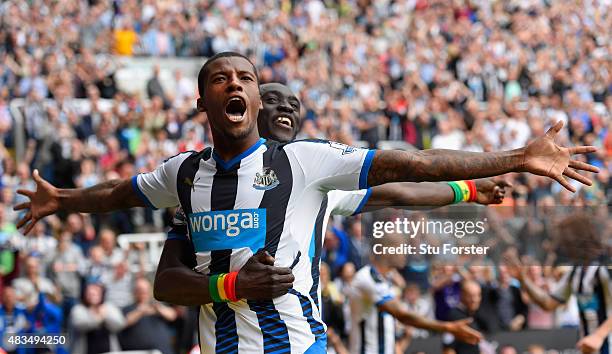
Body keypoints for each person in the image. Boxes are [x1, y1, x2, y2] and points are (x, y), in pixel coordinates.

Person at [14, 52, 599, 353]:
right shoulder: (186, 178)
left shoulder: (308, 165)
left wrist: (512, 157)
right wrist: (60, 199)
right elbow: (129, 211)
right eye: (224, 78)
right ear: (202, 101)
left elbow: (404, 170)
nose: (238, 85)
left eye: (247, 75)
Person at [348, 235, 481, 354]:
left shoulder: (385, 280)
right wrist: (448, 327)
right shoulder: (368, 278)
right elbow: (403, 315)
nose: (406, 253)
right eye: (401, 248)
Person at [505, 213, 612, 354]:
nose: (563, 248)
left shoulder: (605, 268)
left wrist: (599, 335)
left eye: (566, 242)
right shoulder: (574, 273)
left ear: (579, 240)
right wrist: (524, 280)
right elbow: (548, 303)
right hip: (588, 347)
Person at [118, 278, 177, 354]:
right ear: (134, 292)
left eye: (146, 290)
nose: (143, 292)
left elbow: (173, 315)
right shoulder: (128, 308)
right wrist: (141, 311)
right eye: (140, 290)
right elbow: (124, 322)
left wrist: (158, 308)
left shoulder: (157, 307)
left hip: (163, 351)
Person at [69, 282, 125, 354]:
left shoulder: (109, 307)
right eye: (90, 293)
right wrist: (98, 318)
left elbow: (119, 324)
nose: (93, 295)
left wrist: (106, 316)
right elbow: (79, 324)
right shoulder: (79, 309)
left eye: (96, 292)